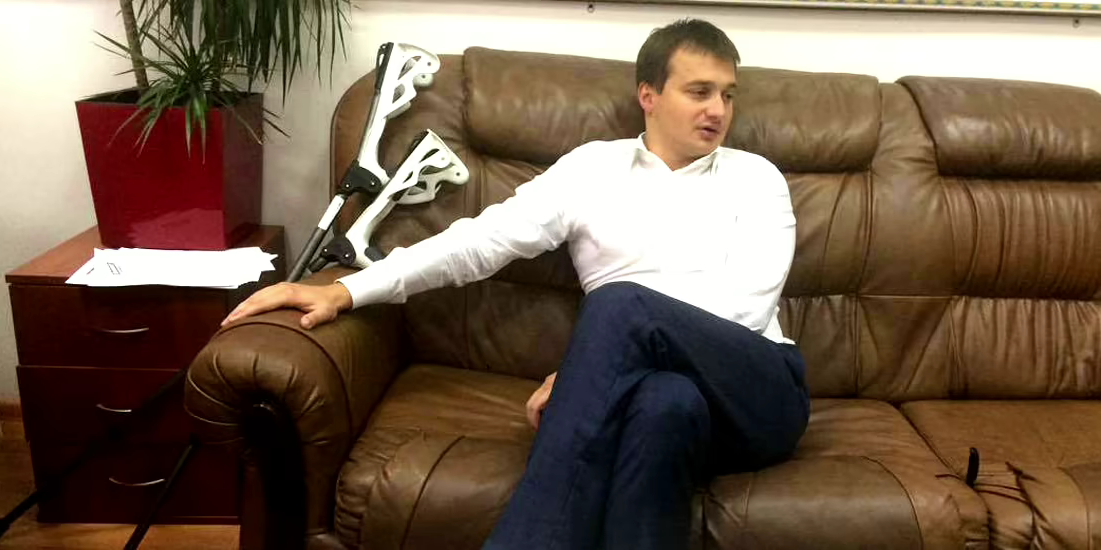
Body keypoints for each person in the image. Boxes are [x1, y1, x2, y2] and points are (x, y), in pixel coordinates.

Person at [223, 18, 810, 550]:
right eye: (699, 92)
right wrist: (348, 289)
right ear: (648, 96)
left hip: (757, 393)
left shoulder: (756, 179)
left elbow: (746, 310)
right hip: (661, 404)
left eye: (728, 95)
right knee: (664, 404)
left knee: (620, 308)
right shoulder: (592, 169)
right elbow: (480, 242)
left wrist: (597, 368)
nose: (718, 110)